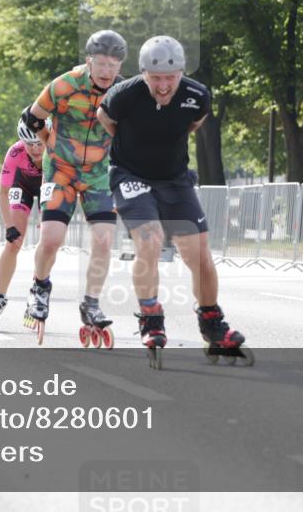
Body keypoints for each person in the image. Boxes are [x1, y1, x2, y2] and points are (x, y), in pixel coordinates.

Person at [97, 35, 251, 367]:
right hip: (130, 175)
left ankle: (211, 322)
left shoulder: (197, 96)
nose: (164, 85)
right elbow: (105, 119)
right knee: (150, 240)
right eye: (156, 78)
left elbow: (194, 124)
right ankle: (151, 317)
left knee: (199, 251)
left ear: (181, 72)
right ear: (143, 73)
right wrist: (131, 148)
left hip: (175, 178)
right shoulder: (124, 95)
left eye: (170, 77)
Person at [17, 30, 126, 343]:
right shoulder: (64, 84)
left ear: (120, 67)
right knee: (51, 239)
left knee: (104, 241)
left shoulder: (124, 91)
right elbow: (32, 117)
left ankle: (91, 302)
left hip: (99, 174)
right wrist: (50, 145)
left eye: (113, 65)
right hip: (61, 170)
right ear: (89, 61)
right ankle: (39, 286)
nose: (107, 71)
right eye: (101, 64)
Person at [0, 119, 49, 333]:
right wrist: (9, 226)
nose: (36, 150)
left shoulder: (56, 148)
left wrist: (46, 218)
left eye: (39, 144)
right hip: (23, 186)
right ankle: (0, 297)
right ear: (22, 142)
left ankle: (37, 289)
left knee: (48, 242)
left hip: (49, 184)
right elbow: (2, 193)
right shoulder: (15, 153)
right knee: (13, 242)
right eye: (30, 144)